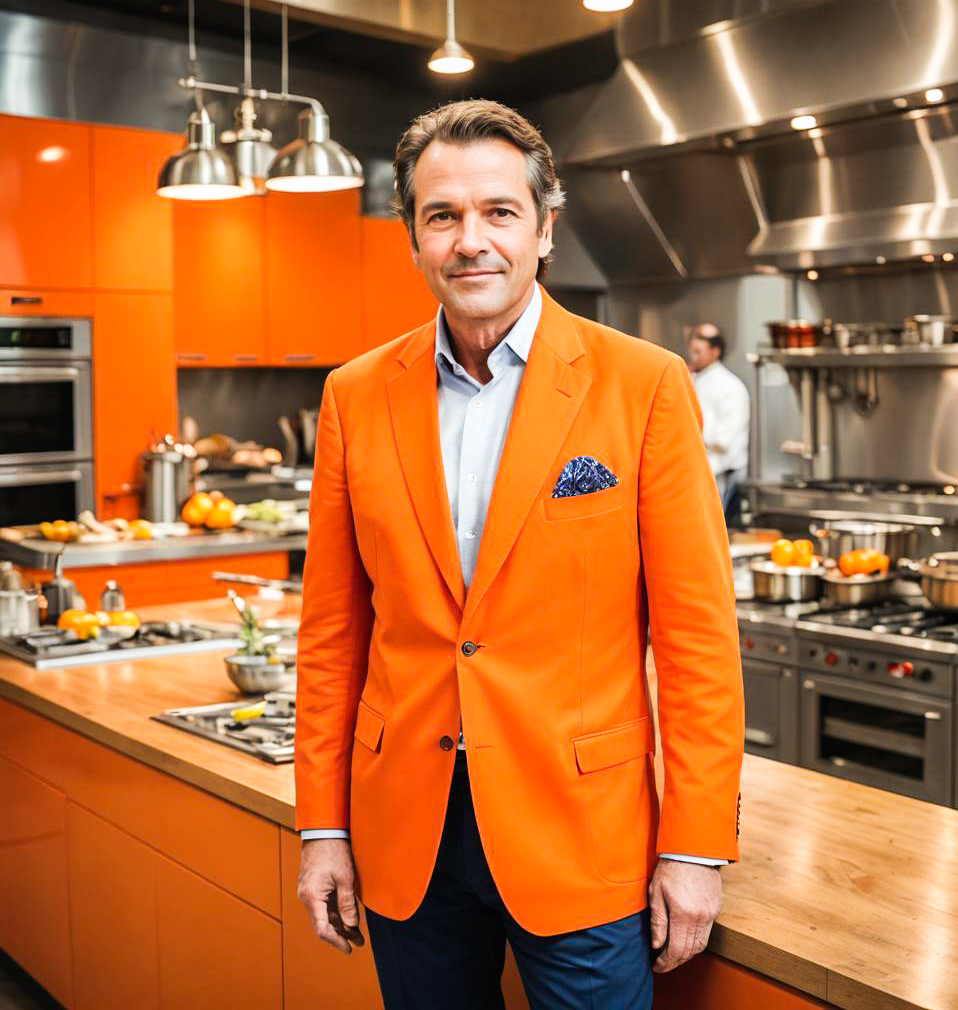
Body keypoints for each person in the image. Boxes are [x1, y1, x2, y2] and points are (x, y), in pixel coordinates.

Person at [294, 99, 744, 1010]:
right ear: (413, 238)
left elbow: (697, 637)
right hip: (406, 834)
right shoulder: (352, 394)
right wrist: (322, 828)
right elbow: (332, 634)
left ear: (544, 229)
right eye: (442, 215)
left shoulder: (644, 384)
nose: (472, 240)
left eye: (499, 212)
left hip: (580, 831)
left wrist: (694, 847)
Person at [687, 324, 750, 514]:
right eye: (692, 351)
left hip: (722, 474)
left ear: (715, 351)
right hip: (698, 472)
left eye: (698, 351)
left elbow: (723, 440)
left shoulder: (730, 386)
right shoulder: (694, 379)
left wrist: (689, 427)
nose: (693, 357)